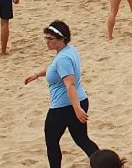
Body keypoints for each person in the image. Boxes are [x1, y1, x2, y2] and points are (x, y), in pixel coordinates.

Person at [24, 21, 100, 167]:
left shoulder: (63, 58)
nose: (47, 42)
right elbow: (56, 68)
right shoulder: (70, 50)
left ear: (62, 39)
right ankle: (104, 164)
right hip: (80, 100)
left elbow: (69, 84)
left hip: (64, 107)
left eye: (50, 39)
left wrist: (76, 109)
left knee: (52, 142)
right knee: (82, 139)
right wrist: (38, 74)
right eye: (46, 38)